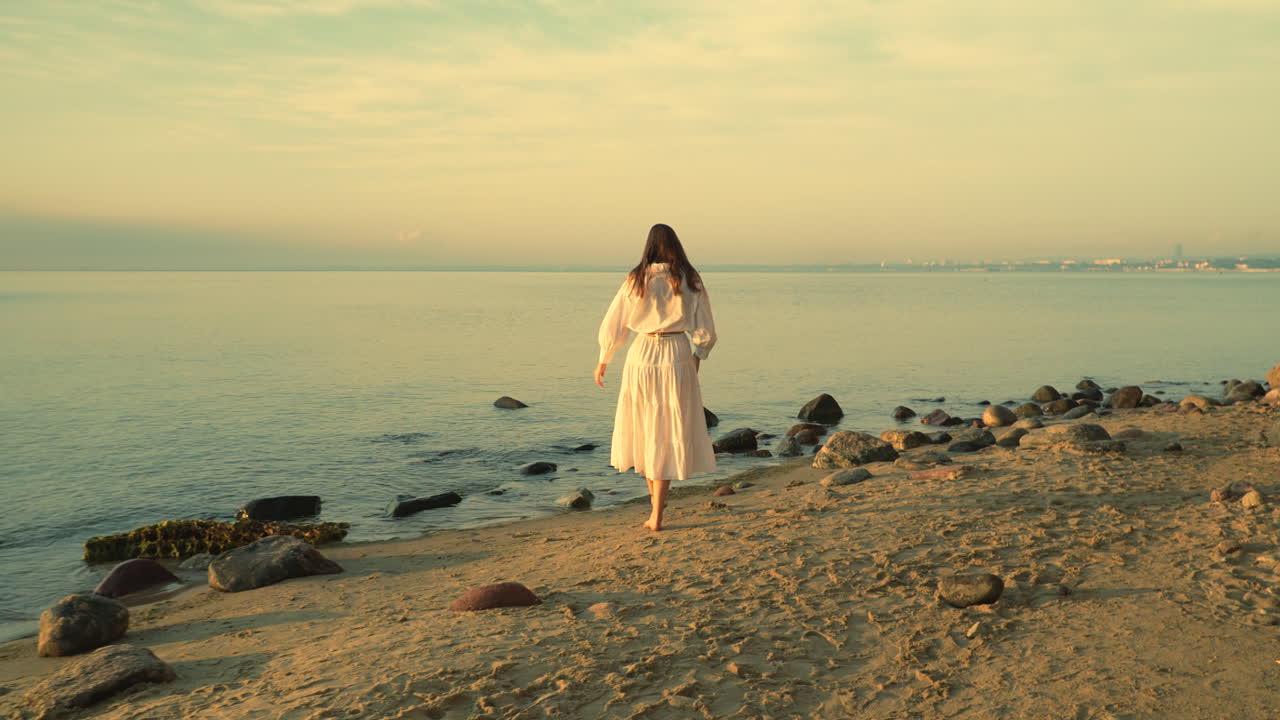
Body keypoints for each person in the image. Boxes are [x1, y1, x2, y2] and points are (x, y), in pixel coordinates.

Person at [595, 223, 717, 531]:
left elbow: (615, 323)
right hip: (677, 351)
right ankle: (657, 509)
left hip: (643, 351)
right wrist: (698, 357)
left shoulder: (636, 279)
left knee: (645, 426)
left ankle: (656, 512)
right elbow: (705, 329)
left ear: (648, 246)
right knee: (665, 427)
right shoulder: (690, 278)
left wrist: (604, 358)